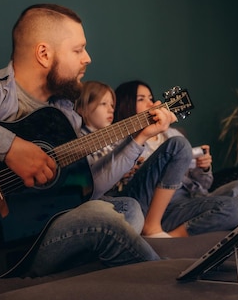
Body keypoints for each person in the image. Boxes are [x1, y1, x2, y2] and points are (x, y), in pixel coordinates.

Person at [0, 3, 179, 277]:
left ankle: (90, 271)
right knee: (102, 217)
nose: (88, 58)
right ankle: (169, 283)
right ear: (44, 54)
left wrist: (140, 136)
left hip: (42, 225)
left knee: (126, 207)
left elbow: (86, 187)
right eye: (78, 49)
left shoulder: (64, 115)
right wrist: (9, 148)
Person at [98, 80, 238, 264]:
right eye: (141, 99)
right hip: (154, 204)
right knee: (179, 146)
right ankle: (152, 227)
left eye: (151, 98)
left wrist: (203, 169)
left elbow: (204, 185)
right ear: (127, 104)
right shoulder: (119, 139)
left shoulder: (172, 134)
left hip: (187, 199)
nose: (150, 103)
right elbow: (106, 179)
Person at [75, 80, 192, 237]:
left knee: (231, 204)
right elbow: (85, 185)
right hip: (109, 199)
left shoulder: (114, 137)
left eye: (112, 105)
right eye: (104, 104)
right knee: (130, 208)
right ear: (82, 109)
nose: (111, 109)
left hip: (135, 195)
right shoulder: (76, 139)